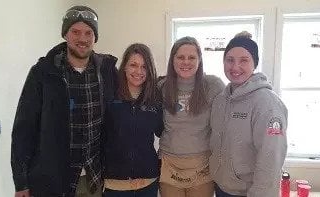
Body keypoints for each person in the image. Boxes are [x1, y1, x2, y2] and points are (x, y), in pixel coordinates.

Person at [11, 5, 118, 197]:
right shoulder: (43, 73)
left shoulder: (107, 71)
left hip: (92, 179)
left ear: (95, 37)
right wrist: (21, 183)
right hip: (52, 180)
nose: (82, 39)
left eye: (88, 33)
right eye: (75, 32)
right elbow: (23, 130)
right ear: (65, 35)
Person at [209, 31, 288, 197]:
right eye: (230, 60)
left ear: (254, 64)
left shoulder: (267, 103)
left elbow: (271, 159)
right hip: (221, 187)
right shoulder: (221, 100)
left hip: (249, 192)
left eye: (244, 60)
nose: (235, 67)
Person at [158, 36, 225, 197]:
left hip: (202, 165)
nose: (185, 62)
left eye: (192, 57)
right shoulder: (161, 87)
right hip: (169, 165)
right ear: (172, 60)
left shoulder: (213, 85)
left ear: (199, 60)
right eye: (180, 57)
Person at [102, 43, 163, 197]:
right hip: (115, 183)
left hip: (148, 181)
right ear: (124, 67)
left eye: (144, 67)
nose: (138, 71)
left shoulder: (155, 98)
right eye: (133, 65)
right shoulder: (110, 95)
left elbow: (162, 131)